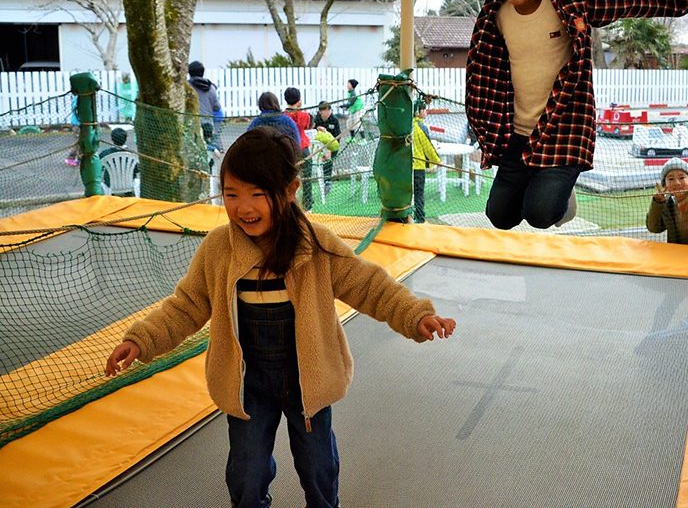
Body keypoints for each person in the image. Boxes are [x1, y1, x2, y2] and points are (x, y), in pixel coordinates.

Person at [104, 126, 456, 508]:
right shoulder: (219, 249)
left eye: (258, 194)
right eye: (232, 194)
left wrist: (414, 314)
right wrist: (141, 339)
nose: (244, 207)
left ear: (289, 190)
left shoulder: (316, 245)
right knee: (246, 470)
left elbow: (370, 285)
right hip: (246, 383)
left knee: (317, 464)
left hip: (308, 378)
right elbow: (187, 304)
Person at [466, 0, 688, 230]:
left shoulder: (570, 2)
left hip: (564, 126)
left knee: (541, 215)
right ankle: (544, 185)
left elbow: (624, 1)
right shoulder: (495, 15)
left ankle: (560, 192)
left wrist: (672, 4)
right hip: (518, 131)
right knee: (500, 216)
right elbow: (483, 71)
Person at [283, 87, 314, 210]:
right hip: (302, 148)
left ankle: (290, 204)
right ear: (299, 100)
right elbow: (307, 125)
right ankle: (308, 206)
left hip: (288, 149)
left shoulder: (283, 116)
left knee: (289, 179)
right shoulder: (303, 115)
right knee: (307, 178)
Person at [412, 98, 442, 224]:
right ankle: (419, 218)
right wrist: (437, 161)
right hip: (418, 167)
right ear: (418, 112)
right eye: (424, 110)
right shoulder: (420, 127)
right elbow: (427, 147)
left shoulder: (409, 125)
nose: (426, 112)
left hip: (406, 167)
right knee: (419, 194)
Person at [187, 61, 223, 151]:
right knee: (208, 149)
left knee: (193, 149)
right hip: (207, 123)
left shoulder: (187, 87)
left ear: (189, 72)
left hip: (192, 123)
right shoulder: (211, 88)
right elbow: (217, 107)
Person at [99, 126, 139, 196]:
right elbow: (137, 170)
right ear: (126, 139)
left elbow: (99, 168)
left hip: (110, 184)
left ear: (112, 139)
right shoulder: (132, 154)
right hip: (129, 183)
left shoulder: (105, 154)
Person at [314, 101, 343, 189]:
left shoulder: (334, 120)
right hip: (320, 145)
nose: (324, 113)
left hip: (332, 145)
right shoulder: (317, 118)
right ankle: (322, 179)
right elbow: (312, 129)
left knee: (328, 161)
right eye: (321, 111)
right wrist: (317, 128)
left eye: (327, 110)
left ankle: (327, 181)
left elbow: (337, 136)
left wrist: (329, 149)